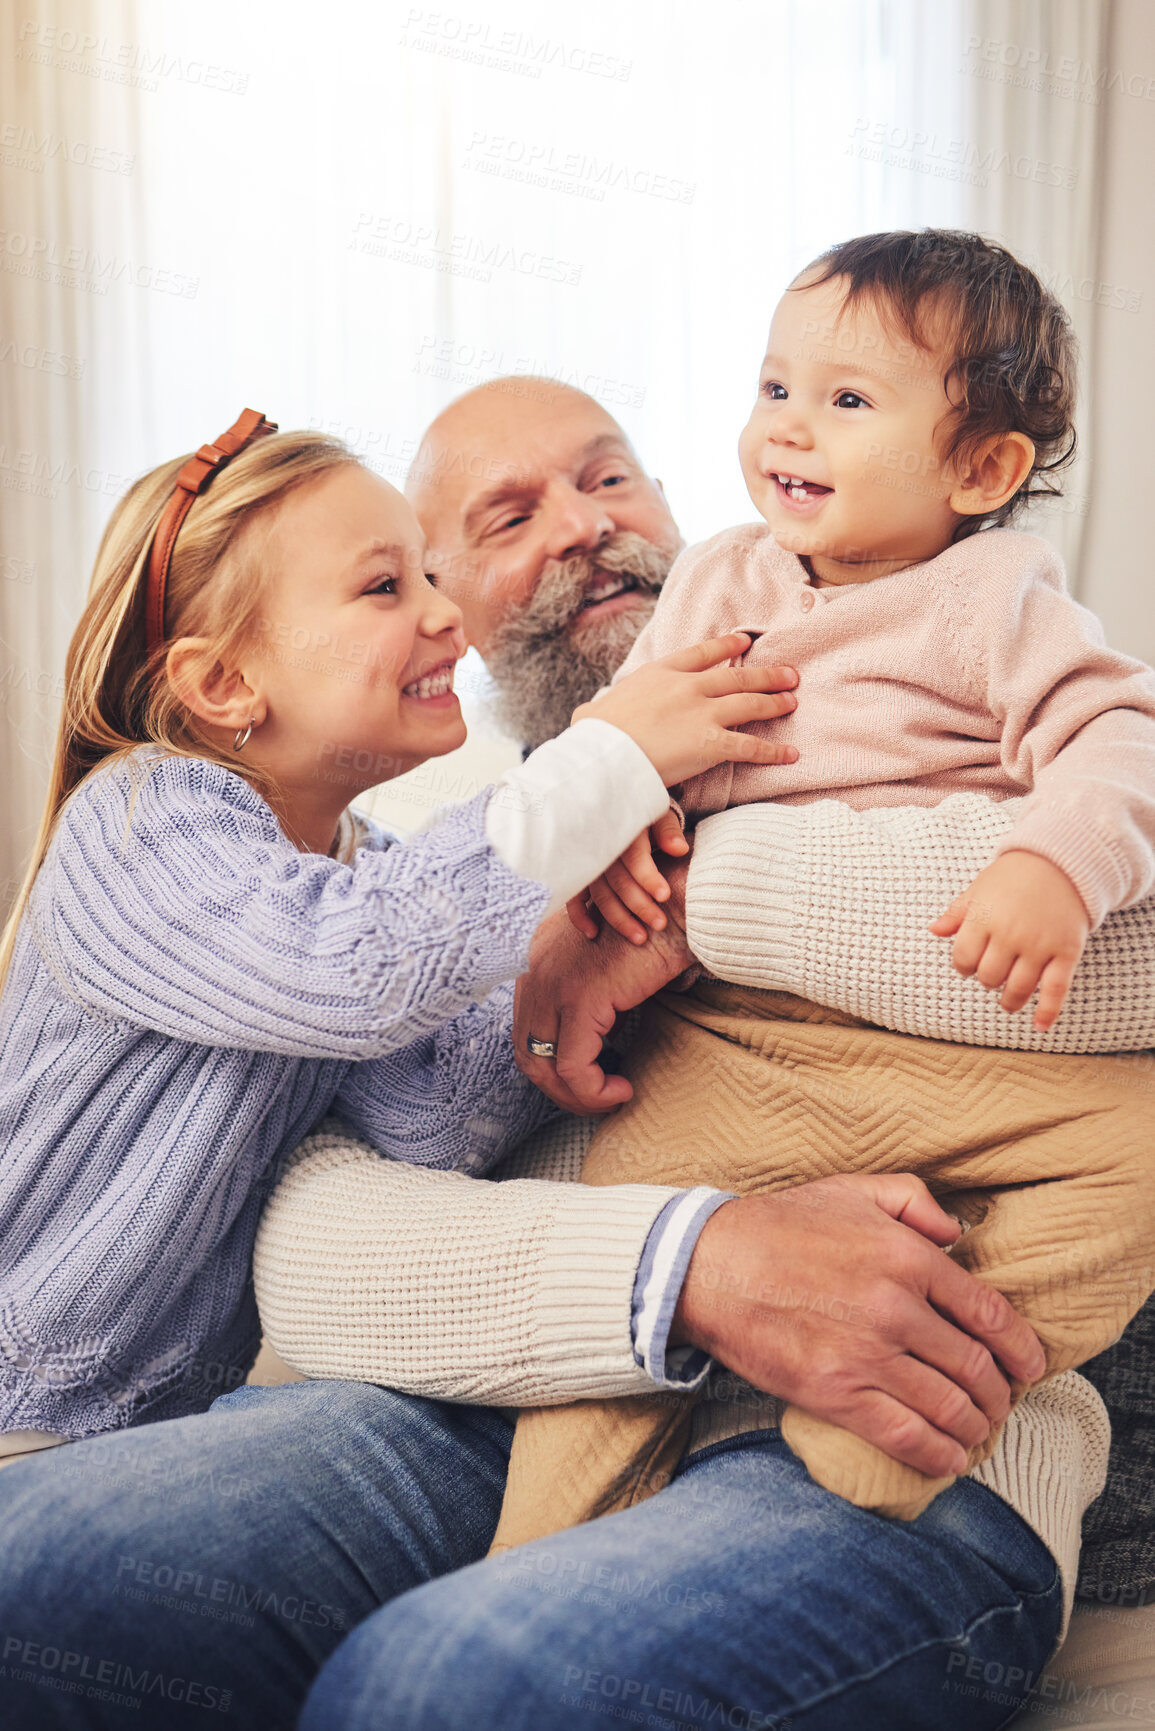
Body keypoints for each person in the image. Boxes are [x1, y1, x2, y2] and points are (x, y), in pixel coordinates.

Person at [0, 382, 1140, 1731]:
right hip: (505, 1387)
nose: (584, 529)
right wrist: (693, 1256)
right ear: (462, 613)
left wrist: (693, 897)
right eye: (500, 518)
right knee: (34, 1579)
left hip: (875, 1426)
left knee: (444, 1692)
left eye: (611, 478)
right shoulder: (416, 851)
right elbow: (313, 1221)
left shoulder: (924, 688)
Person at [492, 229, 1155, 1545]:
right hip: (724, 1045)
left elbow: (1116, 738)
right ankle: (533, 1545)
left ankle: (917, 1382)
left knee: (1137, 1149)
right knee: (622, 1275)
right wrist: (619, 832)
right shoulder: (719, 574)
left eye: (845, 400)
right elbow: (627, 737)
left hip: (938, 1043)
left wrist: (1051, 864)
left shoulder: (991, 591)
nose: (786, 427)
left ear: (981, 467)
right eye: (773, 386)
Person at [0, 411, 799, 1460]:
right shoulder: (142, 821)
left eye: (432, 576)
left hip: (128, 1435)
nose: (447, 618)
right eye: (387, 588)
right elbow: (362, 967)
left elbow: (427, 1119)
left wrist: (574, 962)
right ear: (223, 685)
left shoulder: (360, 864)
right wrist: (608, 753)